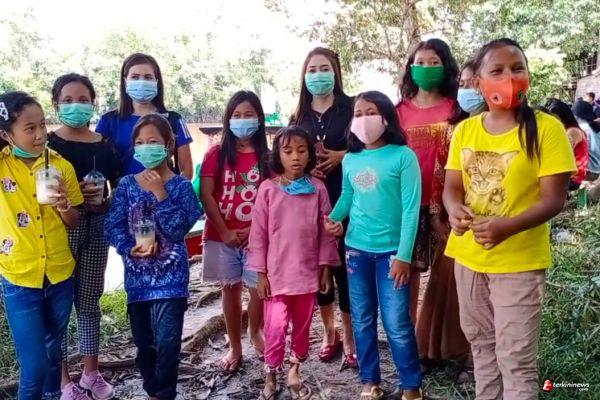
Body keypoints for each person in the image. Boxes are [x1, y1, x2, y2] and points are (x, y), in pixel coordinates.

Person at [443, 38, 576, 400]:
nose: (509, 77)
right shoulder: (465, 130)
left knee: (516, 360)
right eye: (497, 70)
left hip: (519, 263)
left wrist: (507, 226)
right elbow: (452, 188)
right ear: (479, 82)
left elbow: (554, 200)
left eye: (517, 68)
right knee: (482, 348)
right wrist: (454, 209)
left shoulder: (547, 129)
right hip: (468, 258)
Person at [325, 91, 423, 400]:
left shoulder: (403, 157)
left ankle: (411, 385)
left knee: (396, 322)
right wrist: (333, 219)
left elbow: (411, 210)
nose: (364, 119)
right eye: (358, 113)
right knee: (362, 318)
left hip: (392, 254)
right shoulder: (351, 159)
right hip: (356, 251)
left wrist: (404, 256)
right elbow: (347, 196)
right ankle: (370, 381)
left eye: (371, 112)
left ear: (386, 118)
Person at [104, 113, 201, 400]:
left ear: (168, 145)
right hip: (138, 281)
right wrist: (127, 247)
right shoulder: (126, 186)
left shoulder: (181, 187)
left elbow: (178, 229)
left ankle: (164, 394)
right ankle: (152, 388)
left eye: (153, 141)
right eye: (140, 142)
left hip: (172, 281)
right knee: (144, 343)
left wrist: (161, 194)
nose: (146, 147)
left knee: (169, 343)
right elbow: (112, 226)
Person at [0, 91, 83, 399]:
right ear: (7, 134)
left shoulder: (61, 166)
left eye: (43, 125)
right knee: (34, 366)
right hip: (19, 277)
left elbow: (74, 220)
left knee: (53, 355)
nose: (39, 134)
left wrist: (64, 205)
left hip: (60, 274)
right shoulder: (3, 166)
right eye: (29, 128)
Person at [248, 126, 340, 400]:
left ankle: (294, 371)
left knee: (302, 327)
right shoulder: (267, 190)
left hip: (307, 275)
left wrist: (325, 269)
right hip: (276, 277)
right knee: (275, 328)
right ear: (278, 155)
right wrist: (261, 274)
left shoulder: (318, 189)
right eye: (288, 151)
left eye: (301, 150)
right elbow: (258, 235)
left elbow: (326, 232)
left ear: (310, 154)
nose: (295, 157)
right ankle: (270, 374)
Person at [47, 73, 121, 400]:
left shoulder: (105, 145)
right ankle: (64, 380)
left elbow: (117, 187)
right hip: (61, 232)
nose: (75, 106)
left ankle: (91, 373)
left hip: (97, 228)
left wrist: (104, 202)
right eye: (68, 100)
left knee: (89, 301)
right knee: (60, 305)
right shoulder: (48, 146)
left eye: (82, 100)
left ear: (92, 103)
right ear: (56, 104)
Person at [290, 46, 356, 367]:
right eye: (312, 70)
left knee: (345, 268)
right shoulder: (298, 117)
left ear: (335, 73)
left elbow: (371, 147)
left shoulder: (352, 108)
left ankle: (351, 337)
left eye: (324, 68)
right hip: (310, 204)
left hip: (349, 200)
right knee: (319, 268)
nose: (318, 75)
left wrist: (342, 156)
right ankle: (330, 333)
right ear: (304, 76)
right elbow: (287, 156)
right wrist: (303, 168)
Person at [414, 61, 476, 381]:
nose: (469, 90)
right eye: (463, 84)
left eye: (474, 83)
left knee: (477, 294)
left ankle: (473, 357)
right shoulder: (454, 128)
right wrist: (440, 216)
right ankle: (432, 350)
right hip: (453, 221)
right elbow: (442, 176)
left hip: (494, 226)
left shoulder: (513, 129)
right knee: (443, 282)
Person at [200, 91, 270, 372]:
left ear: (259, 119)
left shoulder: (268, 158)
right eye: (236, 115)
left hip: (258, 238)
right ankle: (235, 346)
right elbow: (206, 195)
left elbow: (274, 199)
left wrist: (254, 229)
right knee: (229, 291)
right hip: (222, 237)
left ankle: (255, 332)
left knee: (258, 290)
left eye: (248, 114)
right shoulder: (216, 154)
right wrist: (226, 230)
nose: (242, 120)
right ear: (228, 120)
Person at [395, 38, 462, 323]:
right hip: (408, 203)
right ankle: (408, 335)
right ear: (410, 68)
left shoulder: (457, 108)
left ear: (445, 67)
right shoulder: (398, 111)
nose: (426, 67)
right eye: (420, 62)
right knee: (407, 272)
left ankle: (436, 337)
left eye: (434, 62)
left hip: (447, 202)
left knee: (445, 271)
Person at [95, 53, 193, 179]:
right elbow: (98, 165)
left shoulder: (173, 120)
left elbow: (187, 170)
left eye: (148, 77)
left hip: (165, 190)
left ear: (156, 82)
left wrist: (175, 189)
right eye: (135, 77)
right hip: (123, 190)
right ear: (125, 81)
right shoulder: (108, 121)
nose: (141, 82)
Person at [544, 99, 589, 190]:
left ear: (563, 117)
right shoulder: (568, 130)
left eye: (555, 119)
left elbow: (561, 155)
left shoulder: (572, 132)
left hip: (573, 179)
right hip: (570, 174)